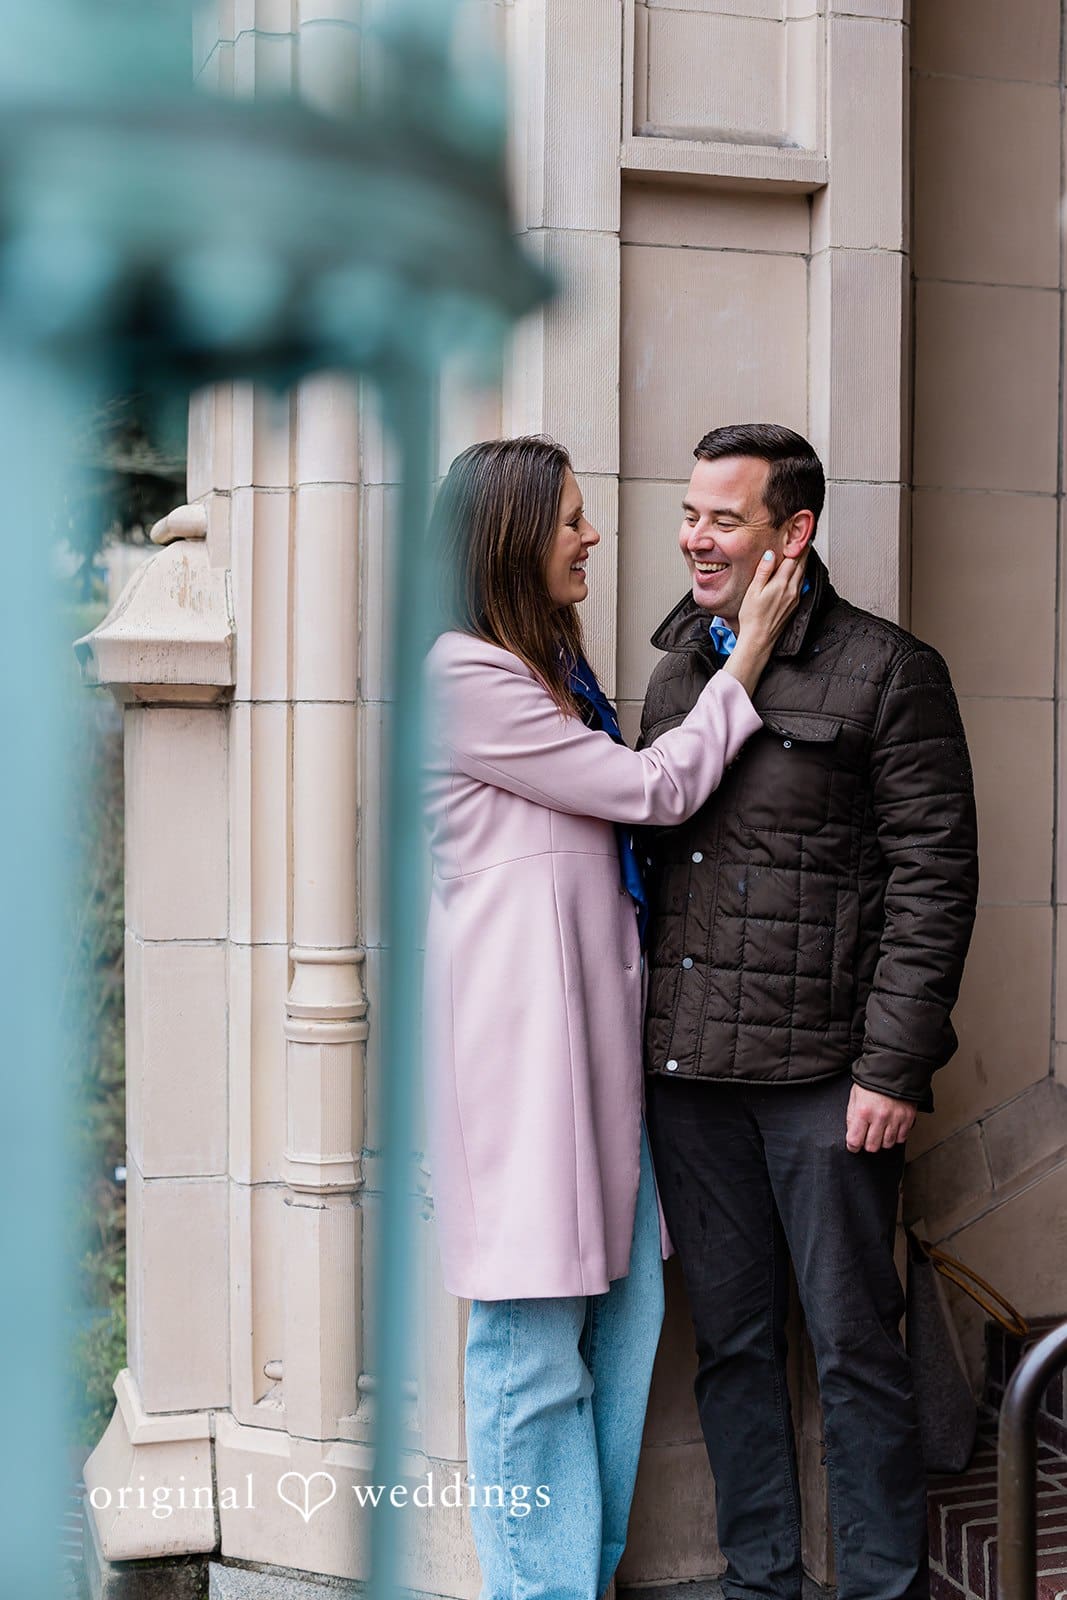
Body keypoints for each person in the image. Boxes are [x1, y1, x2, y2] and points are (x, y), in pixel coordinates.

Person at [421, 434, 805, 1600]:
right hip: (523, 1078)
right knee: (531, 1361)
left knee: (621, 1342)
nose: (592, 537)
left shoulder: (552, 671)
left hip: (602, 1072)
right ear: (509, 536)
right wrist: (743, 671)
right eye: (571, 519)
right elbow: (651, 789)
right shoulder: (461, 674)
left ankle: (571, 1580)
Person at [638, 423, 979, 1600]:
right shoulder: (678, 662)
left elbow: (933, 882)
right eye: (688, 513)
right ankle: (758, 1582)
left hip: (826, 1086)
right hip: (688, 1084)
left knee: (851, 1353)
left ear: (793, 531)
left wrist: (890, 1068)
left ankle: (882, 1585)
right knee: (731, 1353)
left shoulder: (889, 670)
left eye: (720, 518)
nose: (692, 536)